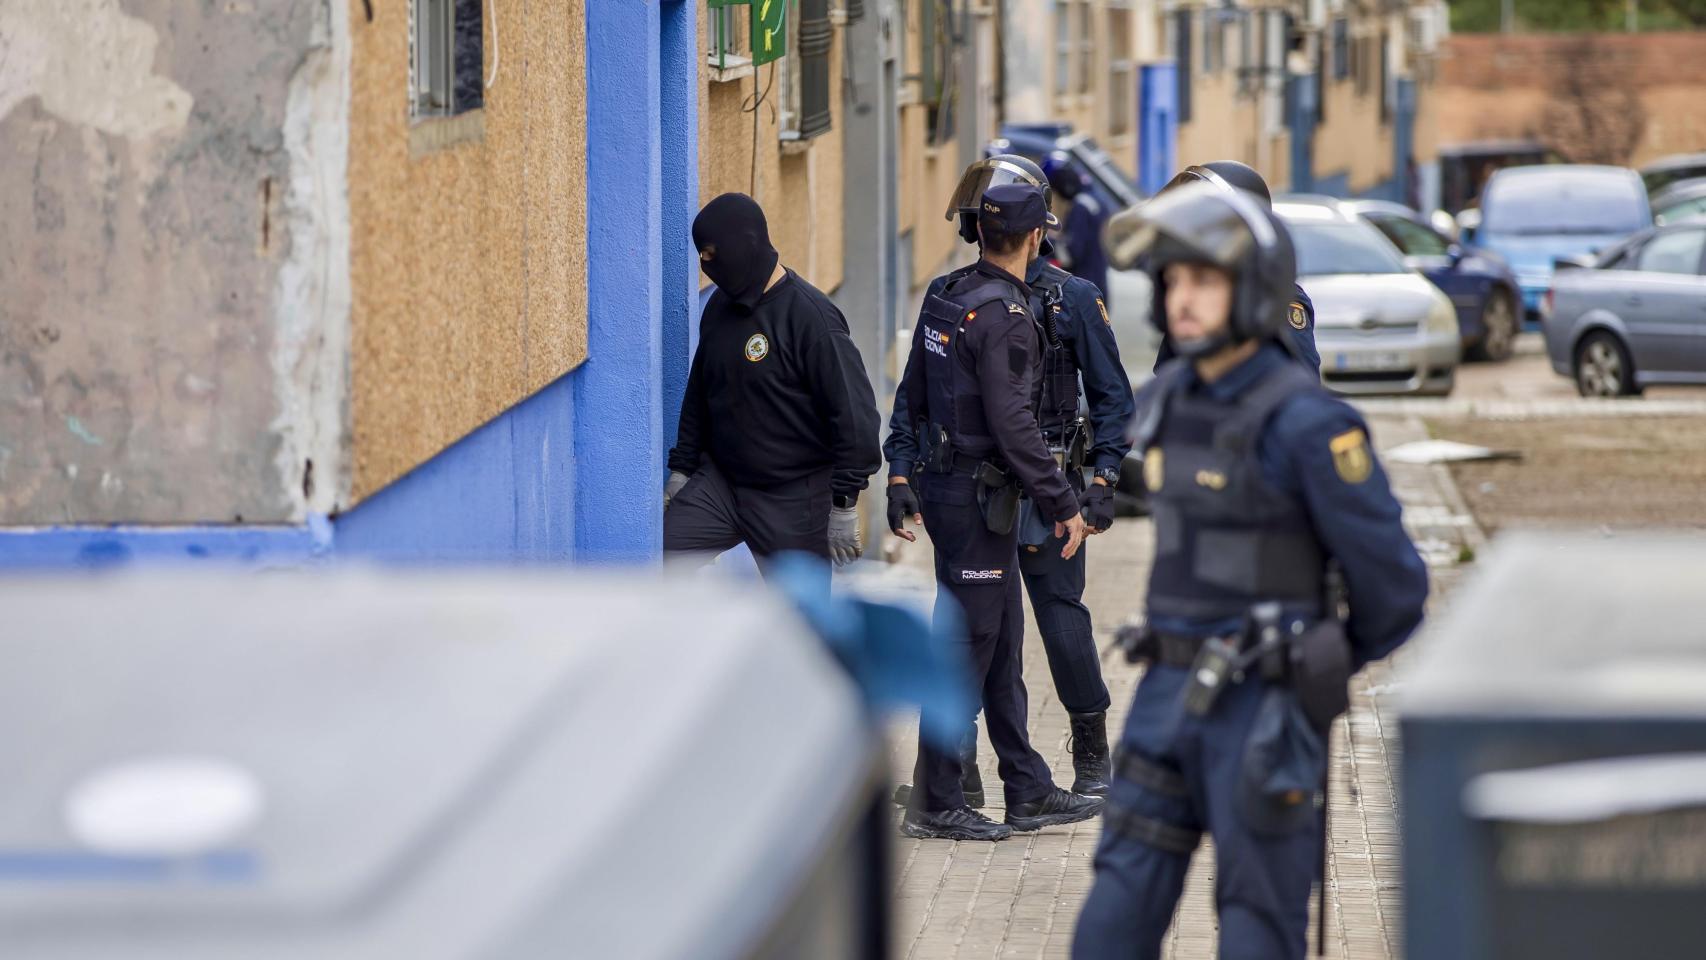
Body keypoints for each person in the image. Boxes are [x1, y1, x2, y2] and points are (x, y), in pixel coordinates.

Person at [1075, 183, 1428, 958]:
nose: (1182, 298)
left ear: (1255, 289)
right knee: (1110, 921)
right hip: (1165, 696)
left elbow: (1396, 589)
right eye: (1173, 280)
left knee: (1257, 930)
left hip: (1264, 708)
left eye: (1204, 279)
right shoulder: (1166, 399)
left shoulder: (1310, 422)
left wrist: (1328, 653)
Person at [889, 155, 1134, 806]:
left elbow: (1112, 398)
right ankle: (963, 771)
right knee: (979, 630)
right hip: (987, 487)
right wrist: (900, 467)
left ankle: (1090, 749)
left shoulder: (1073, 298)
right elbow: (919, 396)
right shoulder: (961, 296)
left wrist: (1103, 479)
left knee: (1058, 620)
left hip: (1048, 475)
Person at [665, 193, 881, 567]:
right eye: (700, 254)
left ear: (743, 244)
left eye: (713, 253)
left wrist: (845, 503)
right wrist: (682, 470)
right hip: (723, 488)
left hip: (794, 500)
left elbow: (854, 417)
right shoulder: (719, 308)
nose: (705, 264)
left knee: (800, 620)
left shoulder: (811, 319)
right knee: (659, 558)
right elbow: (700, 391)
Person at [1150, 161, 1320, 373]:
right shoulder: (1192, 298)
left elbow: (1301, 376)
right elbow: (1167, 369)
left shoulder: (1273, 298)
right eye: (1172, 281)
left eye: (1205, 281)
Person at [1043, 151, 1112, 308]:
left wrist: (1046, 239)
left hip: (1083, 293)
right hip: (1098, 287)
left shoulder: (1081, 207)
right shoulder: (1096, 199)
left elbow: (1070, 254)